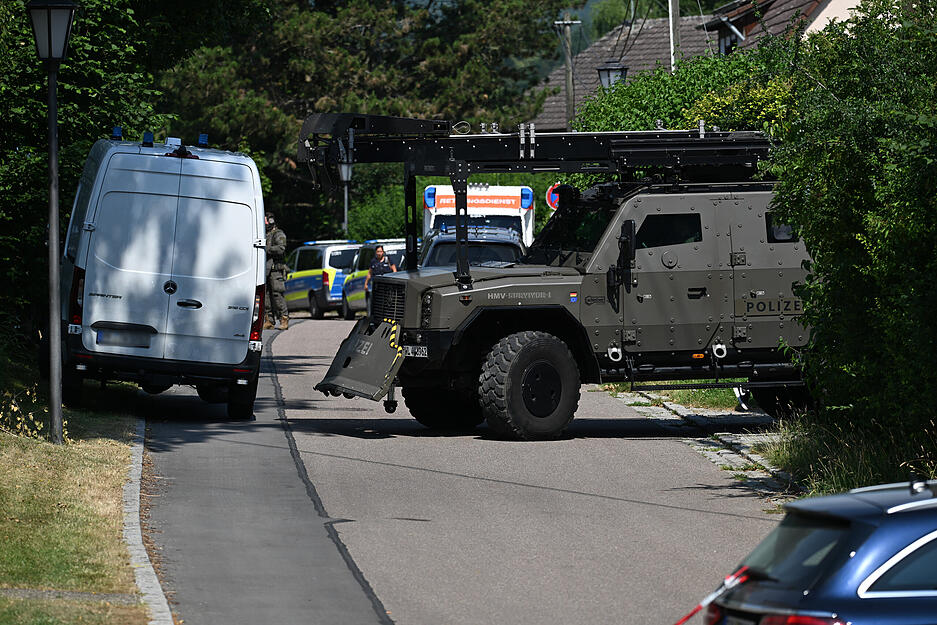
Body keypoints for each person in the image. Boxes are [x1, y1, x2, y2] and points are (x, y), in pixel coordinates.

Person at [263, 212, 289, 330]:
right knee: (266, 296)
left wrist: (266, 248)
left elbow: (281, 248)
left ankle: (284, 319)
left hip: (276, 271)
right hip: (266, 270)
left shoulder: (278, 234)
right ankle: (269, 321)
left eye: (266, 221)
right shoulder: (265, 234)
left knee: (277, 295)